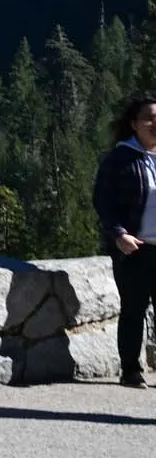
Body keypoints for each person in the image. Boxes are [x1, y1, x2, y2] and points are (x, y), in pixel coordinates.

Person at [92, 89, 156, 388]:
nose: (154, 124)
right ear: (134, 124)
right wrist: (118, 235)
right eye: (149, 119)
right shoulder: (120, 159)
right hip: (135, 249)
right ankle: (130, 370)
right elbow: (102, 201)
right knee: (133, 309)